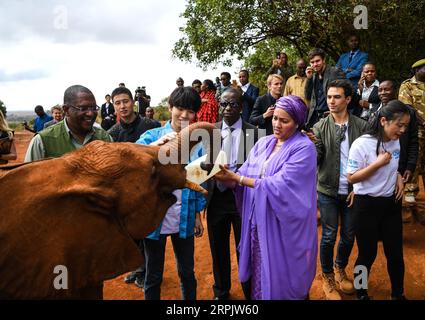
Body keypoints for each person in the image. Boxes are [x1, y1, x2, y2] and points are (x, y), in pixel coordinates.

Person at [215, 95, 318, 300]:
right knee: (259, 269)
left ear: (297, 123)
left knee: (282, 270)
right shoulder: (264, 142)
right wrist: (224, 176)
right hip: (257, 222)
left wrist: (239, 178)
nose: (277, 125)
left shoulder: (304, 148)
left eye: (284, 120)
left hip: (281, 224)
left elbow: (282, 184)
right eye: (275, 118)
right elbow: (243, 174)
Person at [136, 86, 205, 300]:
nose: (185, 115)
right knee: (153, 274)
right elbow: (134, 163)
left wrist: (196, 215)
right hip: (154, 217)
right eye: (180, 108)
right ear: (170, 107)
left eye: (191, 111)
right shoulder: (151, 136)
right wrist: (154, 148)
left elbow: (197, 180)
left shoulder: (198, 144)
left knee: (187, 272)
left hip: (182, 218)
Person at [347, 100, 410, 300]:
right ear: (384, 121)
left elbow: (393, 165)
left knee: (395, 255)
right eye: (399, 125)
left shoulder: (395, 139)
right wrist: (377, 163)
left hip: (391, 204)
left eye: (405, 126)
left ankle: (398, 294)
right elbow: (351, 177)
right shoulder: (361, 143)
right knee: (367, 254)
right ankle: (361, 292)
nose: (402, 130)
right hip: (366, 206)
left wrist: (398, 176)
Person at [312, 79, 368, 300]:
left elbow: (367, 159)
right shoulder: (319, 126)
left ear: (348, 99)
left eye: (337, 97)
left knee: (348, 234)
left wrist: (359, 187)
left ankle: (339, 268)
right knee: (328, 235)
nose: (332, 101)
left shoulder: (362, 126)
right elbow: (317, 158)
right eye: (329, 97)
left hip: (353, 191)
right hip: (327, 190)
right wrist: (309, 146)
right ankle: (327, 277)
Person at [206, 88, 259, 300]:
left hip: (243, 199)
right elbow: (199, 167)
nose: (228, 108)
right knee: (217, 249)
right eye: (224, 104)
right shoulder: (209, 132)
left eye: (233, 104)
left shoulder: (255, 133)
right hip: (216, 199)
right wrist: (209, 169)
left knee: (245, 248)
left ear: (242, 107)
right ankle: (221, 291)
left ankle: (250, 292)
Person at [24, 85, 112, 162]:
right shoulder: (42, 141)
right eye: (83, 108)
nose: (91, 113)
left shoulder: (105, 138)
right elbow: (28, 179)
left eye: (93, 108)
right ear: (66, 110)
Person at [398, 58, 425, 204]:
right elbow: (408, 108)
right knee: (416, 160)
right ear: (416, 70)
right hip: (417, 129)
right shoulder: (407, 85)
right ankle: (410, 189)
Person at [305, 48, 346, 128]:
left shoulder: (334, 72)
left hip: (331, 116)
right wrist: (309, 79)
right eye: (312, 62)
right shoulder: (313, 76)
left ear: (323, 60)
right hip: (316, 118)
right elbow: (307, 96)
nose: (315, 64)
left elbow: (346, 93)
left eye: (317, 61)